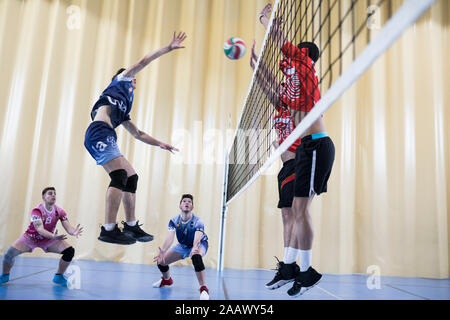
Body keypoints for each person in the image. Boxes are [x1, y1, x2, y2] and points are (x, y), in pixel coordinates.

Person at [259, 4, 335, 297]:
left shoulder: (305, 67)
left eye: (294, 55)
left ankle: (306, 270)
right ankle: (293, 267)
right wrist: (258, 66)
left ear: (304, 56)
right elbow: (274, 91)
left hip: (316, 144)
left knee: (300, 212)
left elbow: (279, 38)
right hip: (307, 148)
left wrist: (264, 20)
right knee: (296, 210)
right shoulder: (294, 84)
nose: (288, 60)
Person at [84, 31, 186, 245]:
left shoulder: (124, 106)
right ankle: (108, 229)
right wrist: (168, 48)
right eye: (132, 77)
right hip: (98, 133)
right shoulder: (120, 81)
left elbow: (137, 133)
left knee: (131, 177)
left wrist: (160, 143)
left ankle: (130, 226)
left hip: (107, 134)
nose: (134, 79)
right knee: (119, 175)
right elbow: (143, 61)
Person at [249, 4, 302, 291]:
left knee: (294, 214)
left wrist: (267, 22)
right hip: (285, 167)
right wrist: (255, 64)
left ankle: (292, 266)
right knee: (285, 215)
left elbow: (275, 75)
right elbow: (265, 83)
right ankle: (288, 264)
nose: (280, 85)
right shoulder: (280, 105)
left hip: (297, 163)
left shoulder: (294, 102)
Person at [0, 187, 83, 287]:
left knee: (69, 251)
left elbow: (68, 227)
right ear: (43, 197)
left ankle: (58, 277)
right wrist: (53, 236)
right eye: (50, 193)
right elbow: (39, 229)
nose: (53, 195)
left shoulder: (59, 211)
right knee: (8, 254)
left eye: (54, 193)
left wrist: (73, 232)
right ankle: (5, 275)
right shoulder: (37, 210)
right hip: (30, 238)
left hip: (48, 240)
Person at [153, 194, 210, 300]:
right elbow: (170, 238)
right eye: (184, 201)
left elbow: (197, 237)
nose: (187, 203)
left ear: (192, 207)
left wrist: (194, 248)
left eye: (189, 202)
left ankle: (203, 288)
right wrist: (163, 251)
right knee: (161, 261)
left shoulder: (198, 221)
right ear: (180, 206)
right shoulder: (174, 221)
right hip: (183, 246)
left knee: (196, 256)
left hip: (200, 243)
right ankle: (167, 280)